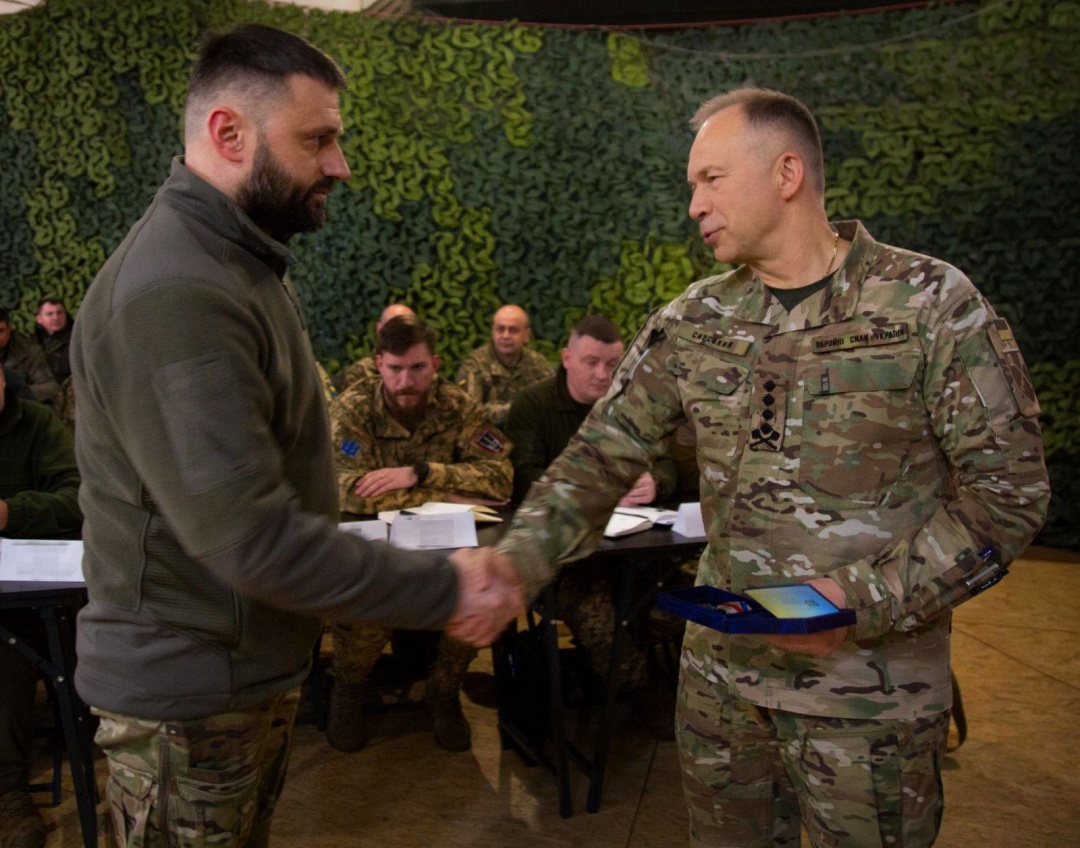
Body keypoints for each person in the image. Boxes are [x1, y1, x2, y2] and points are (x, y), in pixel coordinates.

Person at [494, 88, 1049, 847]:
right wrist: (512, 565)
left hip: (868, 705)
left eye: (711, 179)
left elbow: (1010, 498)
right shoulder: (695, 321)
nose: (694, 204)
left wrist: (855, 600)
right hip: (723, 697)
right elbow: (599, 455)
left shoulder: (929, 306)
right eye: (692, 184)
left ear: (787, 173)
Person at [69, 24, 521, 848]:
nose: (339, 164)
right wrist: (447, 590)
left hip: (237, 679)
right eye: (317, 139)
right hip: (192, 700)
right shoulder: (179, 293)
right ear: (228, 133)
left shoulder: (236, 264)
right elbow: (251, 539)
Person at [328, 315, 513, 753]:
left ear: (435, 363)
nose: (405, 381)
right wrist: (447, 490)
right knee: (363, 606)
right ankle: (348, 690)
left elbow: (500, 478)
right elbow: (344, 490)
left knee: (475, 594)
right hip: (375, 545)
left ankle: (444, 691)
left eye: (417, 368)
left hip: (442, 542)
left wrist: (419, 473)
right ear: (378, 363)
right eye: (395, 369)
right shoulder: (352, 409)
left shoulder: (457, 405)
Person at [504, 314, 683, 738]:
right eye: (591, 362)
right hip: (564, 560)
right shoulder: (533, 405)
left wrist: (655, 482)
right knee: (597, 615)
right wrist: (594, 491)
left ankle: (658, 683)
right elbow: (522, 477)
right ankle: (641, 692)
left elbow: (669, 464)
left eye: (612, 364)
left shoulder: (632, 405)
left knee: (678, 604)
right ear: (566, 358)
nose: (603, 374)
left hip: (632, 552)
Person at [0, 366, 82, 848]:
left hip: (25, 593)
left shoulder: (36, 424)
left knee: (6, 646)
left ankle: (8, 792)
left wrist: (11, 512)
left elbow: (76, 500)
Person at [454, 304, 553, 425]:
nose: (505, 336)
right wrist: (521, 408)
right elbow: (469, 413)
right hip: (488, 434)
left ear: (527, 335)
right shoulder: (475, 365)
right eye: (500, 329)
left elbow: (552, 404)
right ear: (493, 332)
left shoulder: (538, 363)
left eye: (513, 330)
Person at [337, 303, 415, 392]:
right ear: (379, 329)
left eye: (407, 330)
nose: (401, 336)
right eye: (393, 329)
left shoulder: (422, 368)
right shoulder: (360, 373)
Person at [0, 309, 57, 407]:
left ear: (9, 330)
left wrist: (15, 392)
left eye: (0, 331)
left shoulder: (28, 351)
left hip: (18, 407)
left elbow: (50, 387)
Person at [33, 298, 73, 384]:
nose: (55, 318)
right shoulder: (31, 342)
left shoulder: (76, 340)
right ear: (39, 319)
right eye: (49, 314)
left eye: (60, 312)